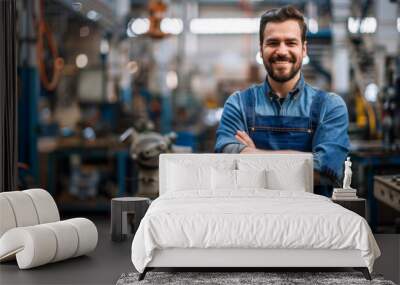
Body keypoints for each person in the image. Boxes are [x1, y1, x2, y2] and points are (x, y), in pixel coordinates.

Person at [214, 6, 350, 194]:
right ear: (261, 49)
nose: (282, 51)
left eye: (290, 43)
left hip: (313, 220)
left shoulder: (330, 106)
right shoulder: (237, 104)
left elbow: (327, 170)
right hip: (252, 217)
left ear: (303, 49)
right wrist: (306, 162)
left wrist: (251, 157)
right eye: (273, 43)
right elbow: (226, 161)